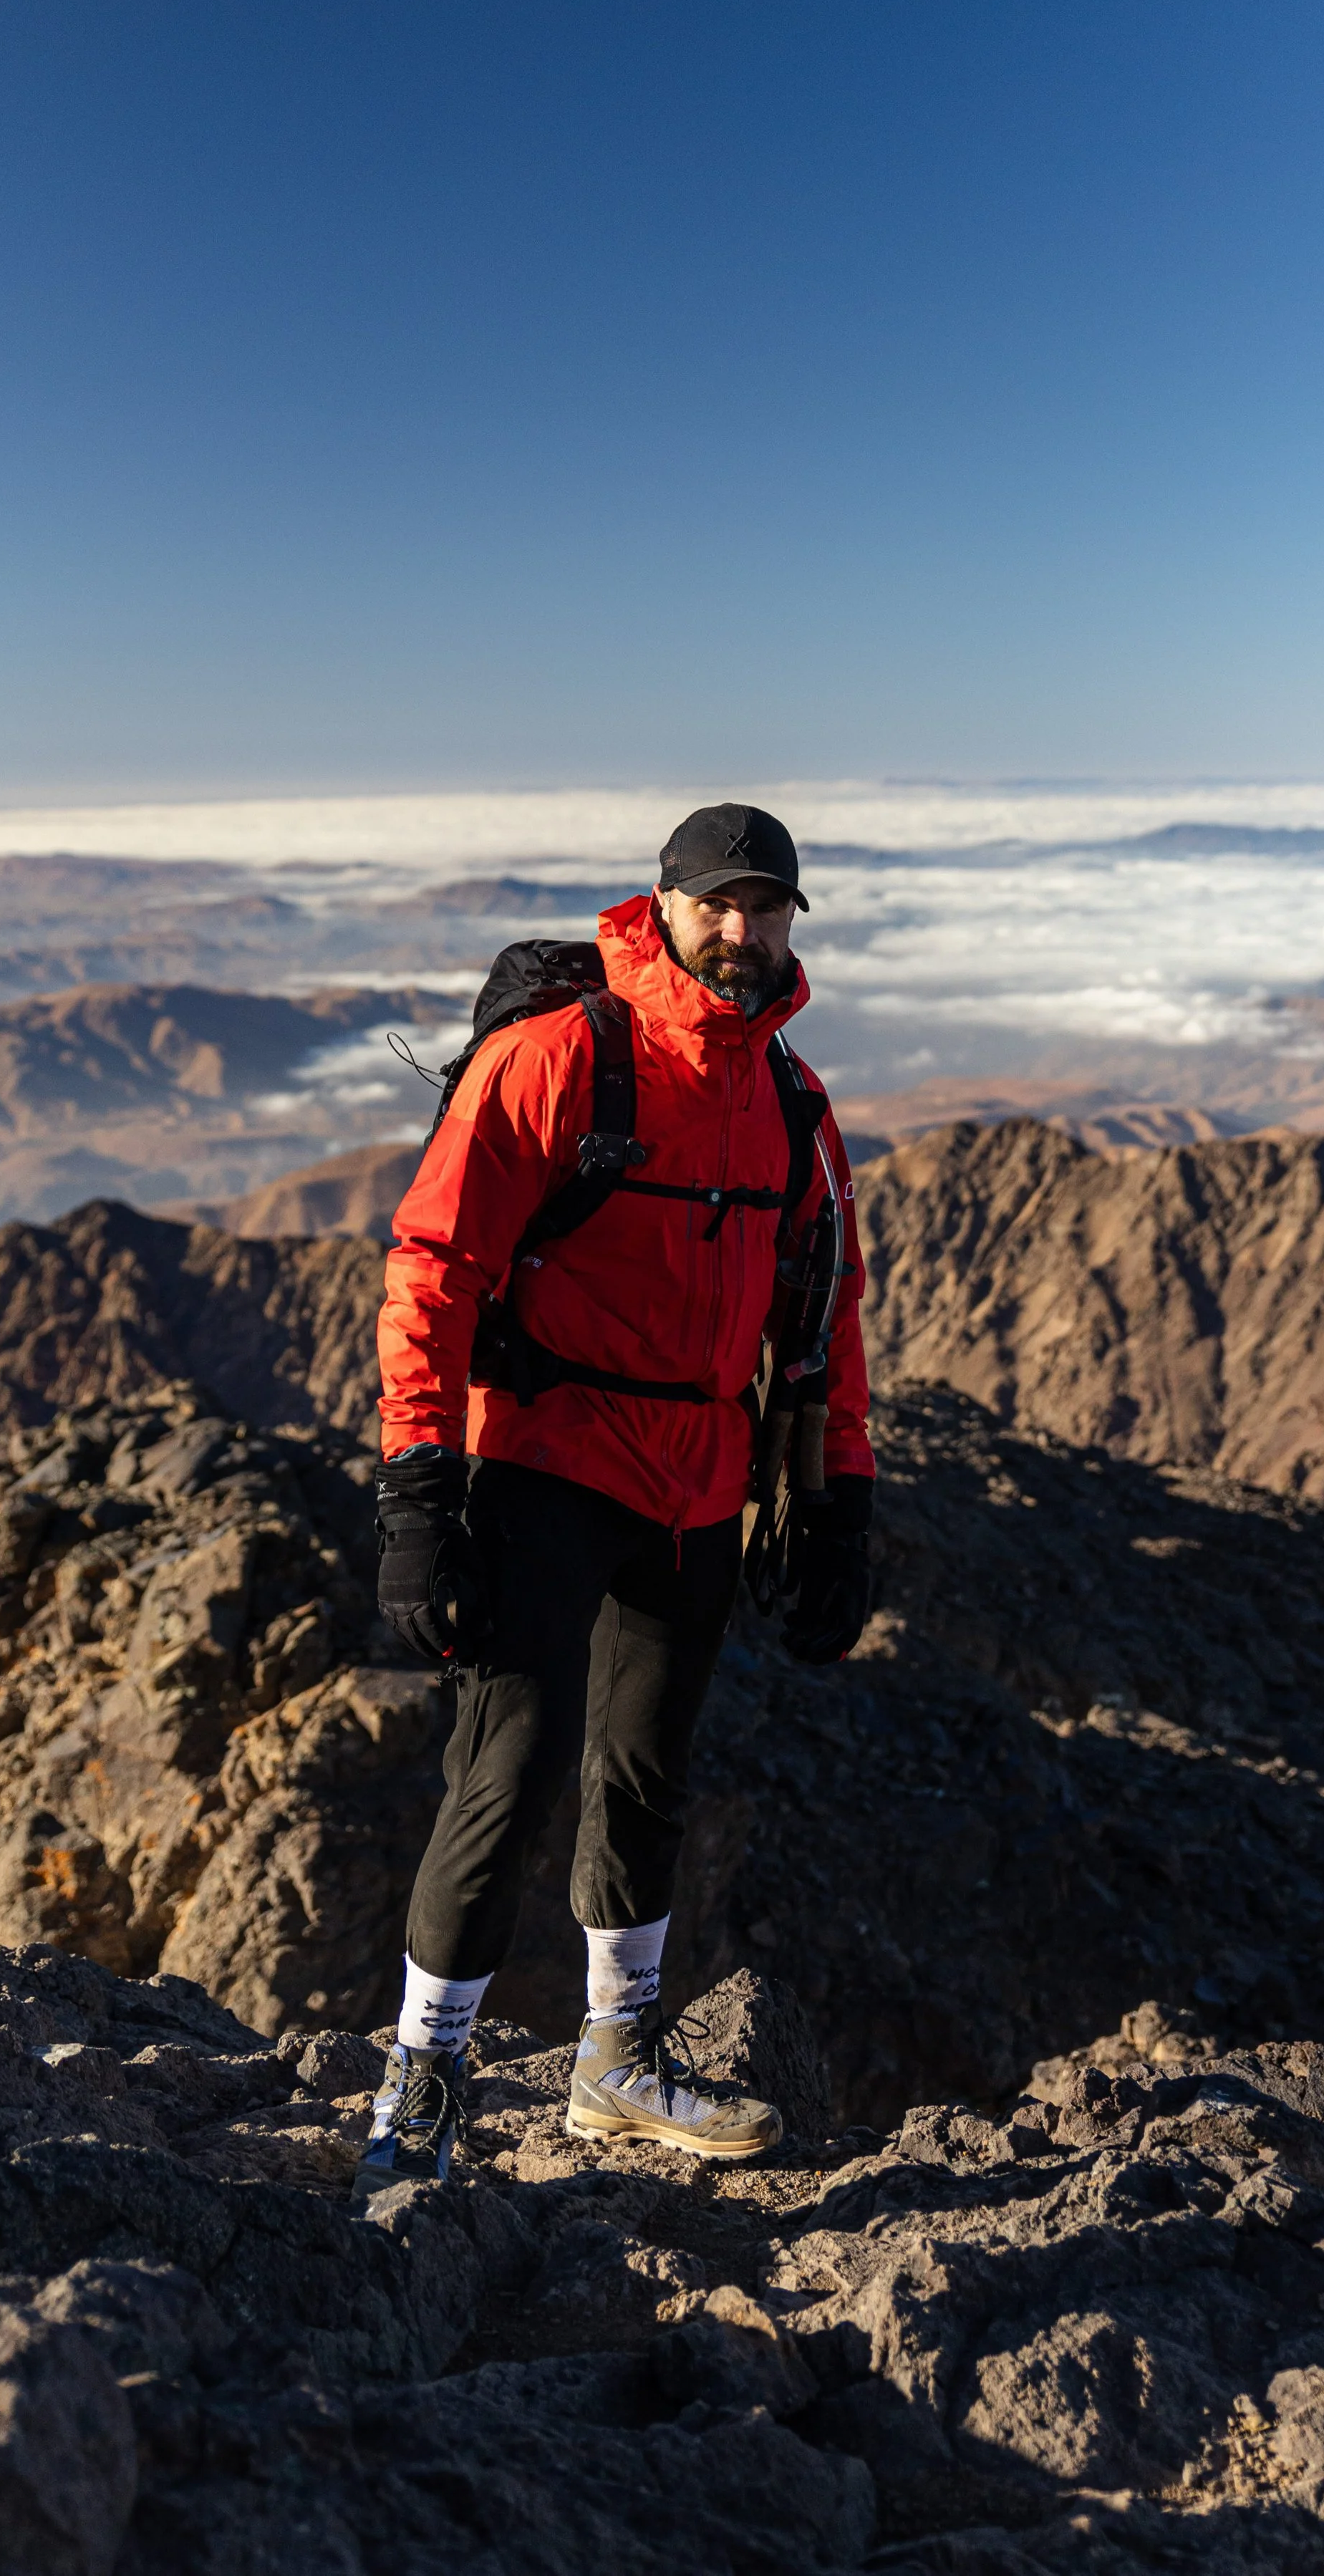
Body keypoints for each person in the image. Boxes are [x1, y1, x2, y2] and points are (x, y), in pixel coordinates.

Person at [355, 802, 874, 2198]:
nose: (743, 931)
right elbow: (431, 1268)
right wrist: (416, 1493)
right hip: (540, 1462)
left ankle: (615, 2063)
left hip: (697, 1486)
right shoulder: (559, 1063)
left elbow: (827, 1319)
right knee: (506, 1777)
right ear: (662, 905)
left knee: (644, 1779)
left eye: (768, 909)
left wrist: (839, 1504)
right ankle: (419, 2082)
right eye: (720, 904)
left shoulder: (791, 1108)